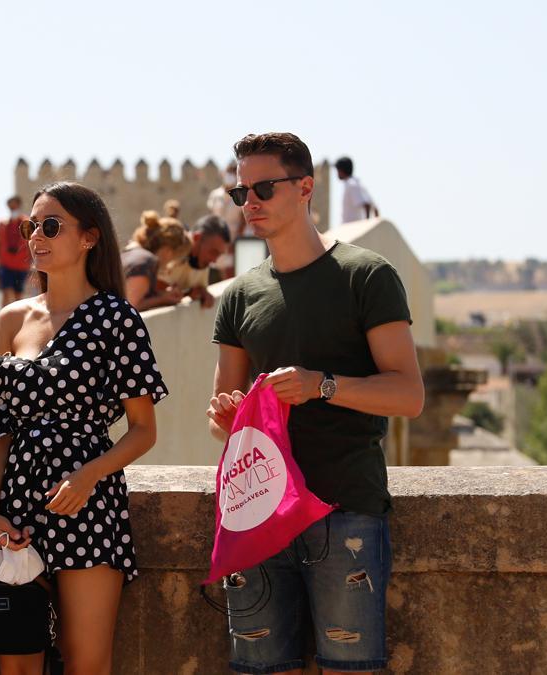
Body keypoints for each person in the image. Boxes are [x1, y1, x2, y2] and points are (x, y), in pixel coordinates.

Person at [208, 132, 424, 675]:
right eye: (241, 194)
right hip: (257, 512)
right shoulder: (238, 295)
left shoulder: (365, 275)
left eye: (263, 188)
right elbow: (222, 420)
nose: (249, 203)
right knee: (259, 669)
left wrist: (321, 385)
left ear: (305, 187)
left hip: (345, 507)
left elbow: (408, 394)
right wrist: (227, 419)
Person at [0, 181, 166, 674]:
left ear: (89, 237)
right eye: (31, 226)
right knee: (17, 660)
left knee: (86, 663)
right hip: (16, 504)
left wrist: (89, 476)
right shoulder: (10, 318)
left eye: (51, 225)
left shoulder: (117, 317)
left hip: (87, 501)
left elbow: (144, 430)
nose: (36, 236)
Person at [121, 210, 191, 311]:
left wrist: (163, 294)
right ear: (168, 252)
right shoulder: (145, 261)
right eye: (174, 259)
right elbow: (131, 305)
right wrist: (163, 299)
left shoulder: (131, 251)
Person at [161, 214, 232, 308]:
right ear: (197, 238)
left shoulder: (202, 262)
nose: (214, 261)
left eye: (218, 255)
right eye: (213, 252)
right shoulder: (171, 251)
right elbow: (156, 289)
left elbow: (198, 289)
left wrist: (200, 292)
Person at [206, 161, 248, 277]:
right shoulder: (215, 195)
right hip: (216, 241)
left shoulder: (240, 195)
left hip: (232, 243)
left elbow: (243, 222)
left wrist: (235, 243)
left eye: (233, 173)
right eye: (228, 172)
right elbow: (211, 217)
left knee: (230, 276)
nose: (230, 176)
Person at [0, 195, 32, 308]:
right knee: (5, 292)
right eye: (11, 207)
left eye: (15, 207)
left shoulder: (27, 223)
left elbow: (30, 243)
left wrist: (32, 262)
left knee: (18, 295)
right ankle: (2, 322)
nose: (13, 210)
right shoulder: (2, 223)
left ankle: (17, 323)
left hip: (22, 265)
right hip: (5, 264)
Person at [336, 156, 379, 223]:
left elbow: (367, 205)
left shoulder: (351, 185)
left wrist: (366, 225)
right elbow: (375, 209)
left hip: (352, 228)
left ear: (341, 170)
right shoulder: (356, 183)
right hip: (351, 228)